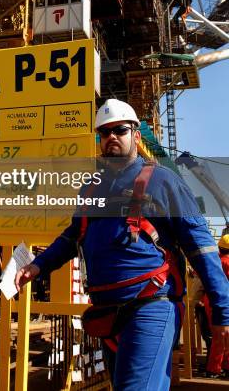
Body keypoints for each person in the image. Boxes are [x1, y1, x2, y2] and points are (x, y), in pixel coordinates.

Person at [14, 99, 229, 390]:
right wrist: (37, 266)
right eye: (104, 133)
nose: (111, 137)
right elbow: (71, 236)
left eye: (120, 130)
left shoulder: (163, 181)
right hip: (107, 312)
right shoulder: (91, 188)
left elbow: (201, 247)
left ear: (137, 136)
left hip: (151, 306)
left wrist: (222, 310)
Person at [204, 233, 229, 378]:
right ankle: (215, 368)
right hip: (224, 300)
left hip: (211, 300)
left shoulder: (214, 260)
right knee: (223, 337)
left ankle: (216, 367)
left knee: (218, 336)